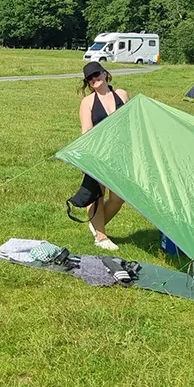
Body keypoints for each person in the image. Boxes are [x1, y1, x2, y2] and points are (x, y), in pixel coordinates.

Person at [74, 60, 131, 250]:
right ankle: (101, 237)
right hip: (98, 154)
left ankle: (96, 225)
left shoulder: (122, 95)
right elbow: (86, 132)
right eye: (89, 79)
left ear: (105, 74)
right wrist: (85, 159)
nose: (94, 79)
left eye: (96, 74)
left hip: (120, 153)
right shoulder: (88, 102)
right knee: (97, 194)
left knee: (118, 198)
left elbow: (130, 123)